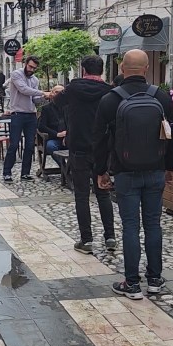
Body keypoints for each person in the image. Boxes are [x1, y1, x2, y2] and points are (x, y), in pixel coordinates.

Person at [93, 49, 173, 300]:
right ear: (146, 68)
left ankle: (131, 283)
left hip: (125, 172)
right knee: (153, 224)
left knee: (130, 226)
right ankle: (154, 279)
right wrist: (171, 166)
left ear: (122, 68)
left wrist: (101, 171)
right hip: (155, 170)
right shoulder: (161, 97)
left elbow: (99, 140)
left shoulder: (110, 100)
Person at [56, 55, 117, 254]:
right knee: (103, 193)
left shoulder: (73, 89)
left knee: (81, 195)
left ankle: (86, 240)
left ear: (83, 70)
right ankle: (110, 237)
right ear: (102, 70)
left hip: (79, 147)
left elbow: (57, 102)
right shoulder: (109, 91)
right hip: (102, 149)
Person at [3, 56, 52, 182]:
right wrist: (42, 92)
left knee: (30, 145)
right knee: (14, 144)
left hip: (31, 115)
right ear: (25, 64)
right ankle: (7, 172)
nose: (32, 70)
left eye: (34, 68)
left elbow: (34, 99)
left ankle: (25, 173)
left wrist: (45, 97)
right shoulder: (16, 74)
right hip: (17, 114)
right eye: (30, 67)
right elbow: (23, 89)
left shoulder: (35, 80)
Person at [37, 85, 67, 165]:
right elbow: (41, 127)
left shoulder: (69, 107)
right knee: (50, 146)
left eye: (61, 92)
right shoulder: (46, 108)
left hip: (68, 138)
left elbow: (73, 123)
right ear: (51, 94)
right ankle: (65, 167)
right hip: (54, 138)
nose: (59, 94)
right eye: (56, 92)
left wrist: (67, 135)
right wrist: (57, 134)